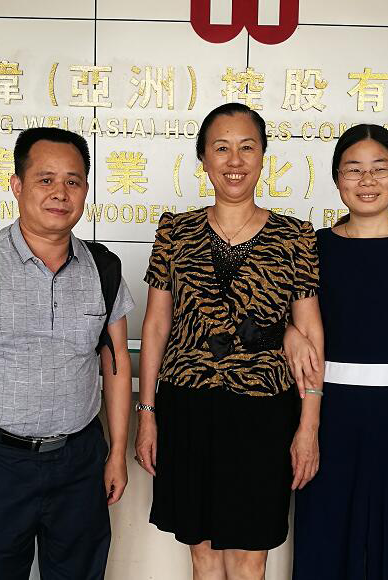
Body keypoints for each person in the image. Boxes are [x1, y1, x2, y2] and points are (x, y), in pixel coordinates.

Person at [135, 103, 324, 580]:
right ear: (203, 158)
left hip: (263, 413)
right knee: (201, 554)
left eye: (246, 147)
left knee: (249, 558)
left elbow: (311, 333)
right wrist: (147, 414)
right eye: (221, 148)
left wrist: (309, 426)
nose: (234, 160)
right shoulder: (175, 232)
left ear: (262, 157)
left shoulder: (295, 236)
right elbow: (156, 326)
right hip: (188, 406)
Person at [287, 124, 388, 580]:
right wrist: (288, 333)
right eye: (353, 170)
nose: (367, 181)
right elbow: (285, 317)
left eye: (379, 169)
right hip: (328, 413)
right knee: (325, 536)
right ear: (336, 179)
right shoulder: (312, 248)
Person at [0, 127, 135, 580]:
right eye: (46, 179)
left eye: (72, 181)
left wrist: (116, 453)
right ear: (17, 185)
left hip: (79, 461)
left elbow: (116, 364)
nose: (60, 192)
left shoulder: (103, 267)